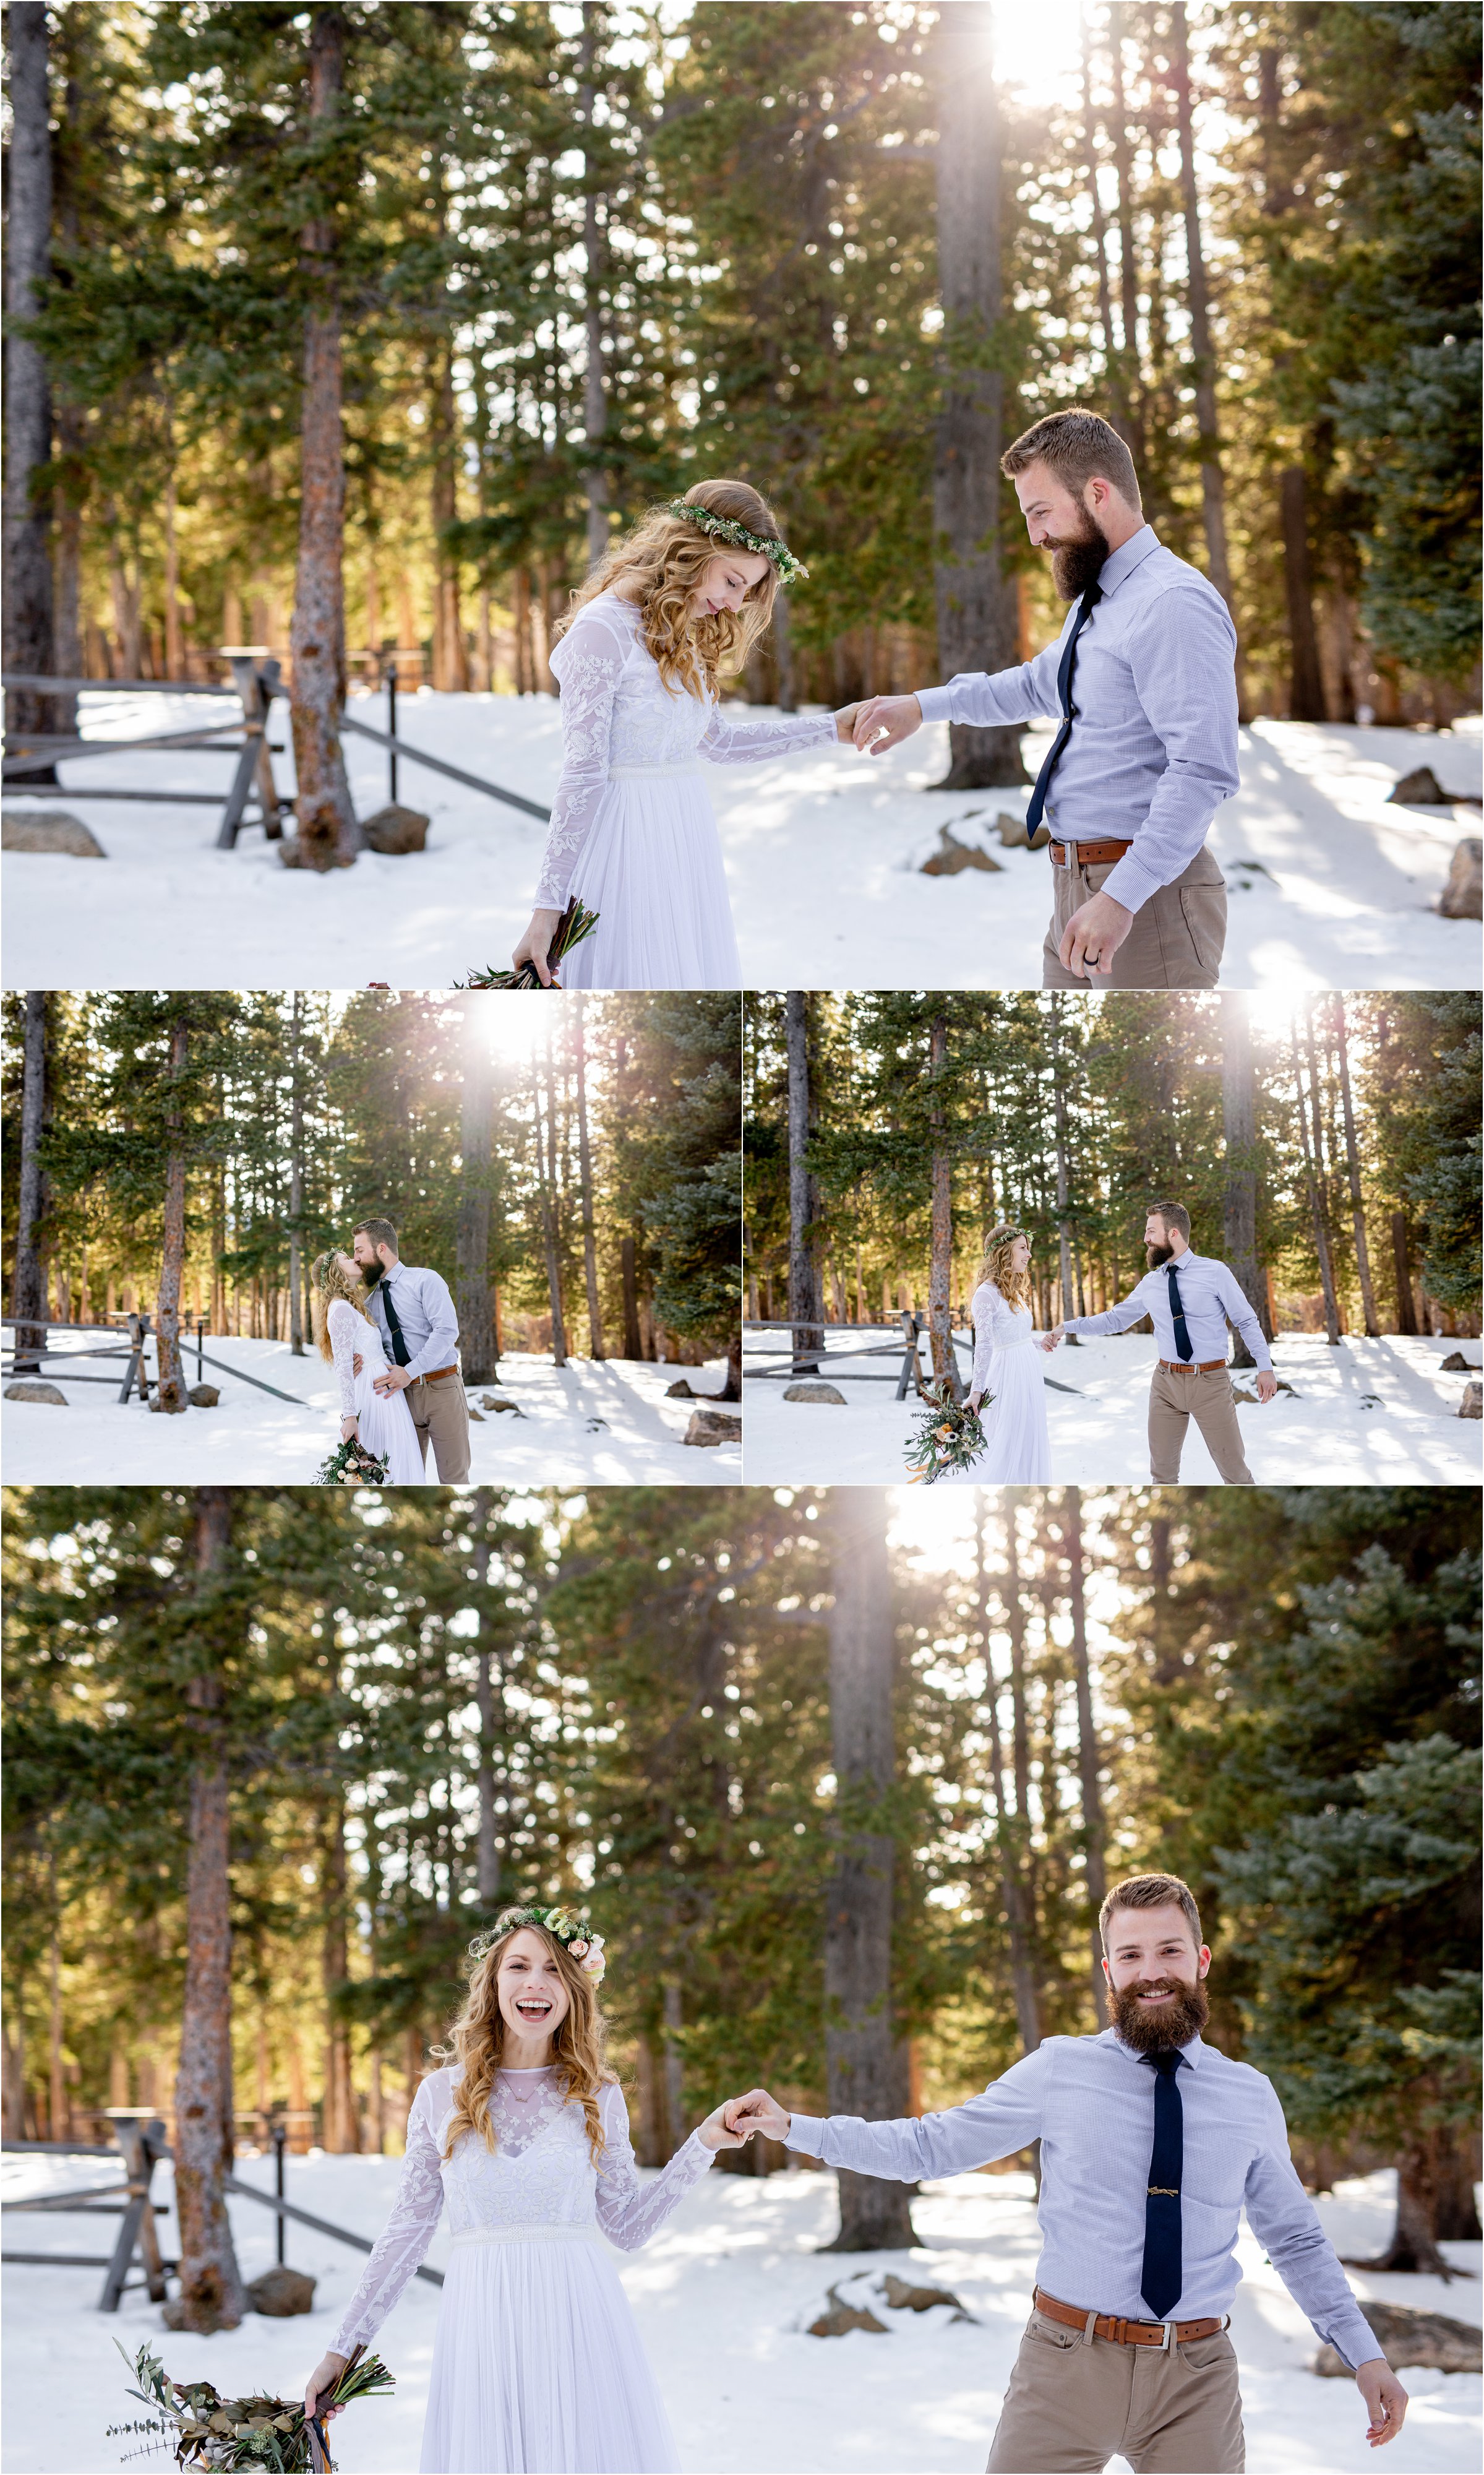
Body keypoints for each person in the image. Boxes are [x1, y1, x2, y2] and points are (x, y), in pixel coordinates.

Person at [724, 1871, 1407, 2475]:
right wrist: (797, 2128)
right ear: (1107, 1971)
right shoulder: (1059, 2070)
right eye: (1130, 1954)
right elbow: (931, 2146)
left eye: (1168, 1950)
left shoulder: (1248, 2095)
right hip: (1064, 2364)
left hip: (1195, 2376)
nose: (1151, 1970)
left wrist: (1362, 2353)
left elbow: (1292, 2237)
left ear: (1199, 1961)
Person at [302, 1907, 750, 2474]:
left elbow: (627, 2228)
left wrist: (703, 2144)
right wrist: (344, 2351)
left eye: (554, 1969)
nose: (535, 1982)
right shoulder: (442, 2095)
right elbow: (406, 2235)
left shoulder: (598, 2095)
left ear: (573, 1991)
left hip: (579, 2325)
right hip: (482, 2326)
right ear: (493, 1982)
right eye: (518, 1966)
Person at [851, 409, 1239, 991]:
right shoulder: (1104, 601)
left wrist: (1119, 898)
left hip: (1142, 899)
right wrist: (922, 705)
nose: (1035, 537)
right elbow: (1038, 685)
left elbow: (1203, 770)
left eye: (1040, 513)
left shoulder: (1171, 603)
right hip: (1077, 888)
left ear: (1097, 493)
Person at [510, 480, 860, 990]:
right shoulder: (602, 631)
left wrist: (832, 728)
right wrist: (546, 909)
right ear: (693, 551)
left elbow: (718, 743)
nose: (736, 604)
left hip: (683, 831)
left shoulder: (683, 630)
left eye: (748, 591)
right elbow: (581, 774)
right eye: (734, 581)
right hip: (625, 840)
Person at [1053, 1200, 1276, 1484]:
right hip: (1165, 1385)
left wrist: (1265, 1366)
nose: (1145, 1239)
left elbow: (1246, 1321)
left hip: (1210, 1383)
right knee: (1162, 1476)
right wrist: (1067, 1327)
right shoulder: (1151, 1282)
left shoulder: (1215, 1272)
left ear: (1173, 1234)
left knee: (1235, 1474)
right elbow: (1115, 1320)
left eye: (1151, 1231)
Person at [351, 1217, 471, 1483]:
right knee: (405, 1477)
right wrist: (355, 1361)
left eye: (360, 1250)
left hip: (441, 1390)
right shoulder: (370, 1303)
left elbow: (447, 1332)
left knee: (455, 1477)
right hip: (399, 1400)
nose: (356, 1258)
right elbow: (371, 1346)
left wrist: (410, 1371)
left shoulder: (426, 1280)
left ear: (381, 1249)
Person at [946, 1225, 1060, 1483]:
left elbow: (1014, 1338)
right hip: (1008, 1376)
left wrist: (1039, 1343)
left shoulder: (1012, 1291)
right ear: (1003, 1251)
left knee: (1028, 1435)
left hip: (1028, 1371)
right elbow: (985, 1346)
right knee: (1010, 1437)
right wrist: (976, 1390)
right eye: (1023, 1248)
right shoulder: (985, 1295)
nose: (1029, 1254)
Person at [311, 1250, 425, 1483]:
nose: (354, 1259)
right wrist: (350, 1416)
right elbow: (343, 1366)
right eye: (346, 1259)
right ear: (335, 1271)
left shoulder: (350, 1305)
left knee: (396, 1454)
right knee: (388, 1457)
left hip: (382, 1388)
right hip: (373, 1392)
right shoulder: (340, 1309)